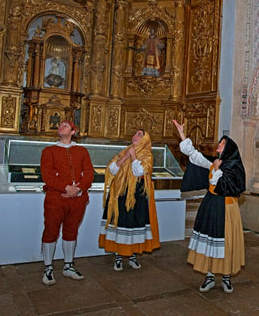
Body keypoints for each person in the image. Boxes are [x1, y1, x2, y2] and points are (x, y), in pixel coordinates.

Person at [173, 120, 245, 293]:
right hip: (211, 205)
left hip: (227, 208)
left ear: (228, 148)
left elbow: (230, 186)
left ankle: (226, 277)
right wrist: (182, 134)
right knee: (211, 240)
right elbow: (195, 156)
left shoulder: (234, 166)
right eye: (220, 142)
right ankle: (210, 276)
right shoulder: (214, 162)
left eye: (222, 143)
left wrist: (218, 170)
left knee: (226, 241)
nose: (219, 144)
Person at [40, 120, 94, 286]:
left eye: (65, 125)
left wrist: (79, 189)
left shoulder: (82, 150)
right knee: (51, 230)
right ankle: (48, 267)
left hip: (78, 199)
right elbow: (47, 175)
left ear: (73, 131)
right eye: (60, 124)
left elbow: (89, 173)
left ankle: (68, 266)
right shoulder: (48, 151)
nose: (60, 125)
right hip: (55, 199)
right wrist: (65, 187)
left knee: (71, 230)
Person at [99, 129, 160, 271]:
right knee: (119, 222)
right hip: (119, 193)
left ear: (145, 139)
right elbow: (112, 169)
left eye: (140, 135)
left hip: (136, 195)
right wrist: (125, 157)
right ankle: (118, 256)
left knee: (133, 223)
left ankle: (132, 255)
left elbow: (140, 172)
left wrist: (133, 157)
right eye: (135, 134)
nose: (135, 136)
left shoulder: (147, 155)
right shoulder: (125, 151)